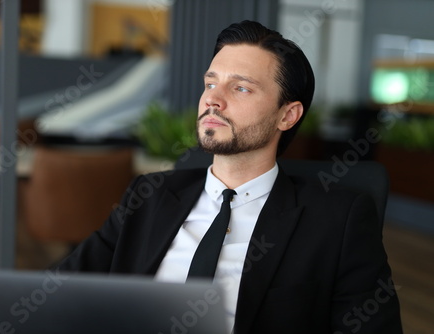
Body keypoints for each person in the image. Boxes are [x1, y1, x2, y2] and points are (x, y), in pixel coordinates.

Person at [56, 20, 402, 333]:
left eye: (241, 88)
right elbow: (57, 291)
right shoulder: (149, 194)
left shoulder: (338, 219)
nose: (213, 100)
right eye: (211, 83)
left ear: (287, 115)